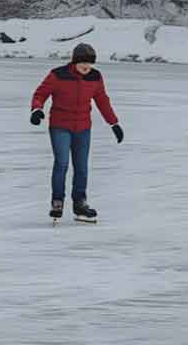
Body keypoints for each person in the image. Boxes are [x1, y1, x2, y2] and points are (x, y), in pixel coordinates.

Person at [30, 43, 124, 223]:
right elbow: (40, 94)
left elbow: (102, 101)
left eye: (90, 64)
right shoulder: (58, 75)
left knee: (81, 167)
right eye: (83, 63)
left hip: (83, 128)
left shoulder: (95, 77)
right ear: (75, 61)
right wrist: (36, 110)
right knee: (62, 163)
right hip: (60, 126)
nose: (87, 67)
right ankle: (57, 202)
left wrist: (114, 123)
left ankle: (80, 203)